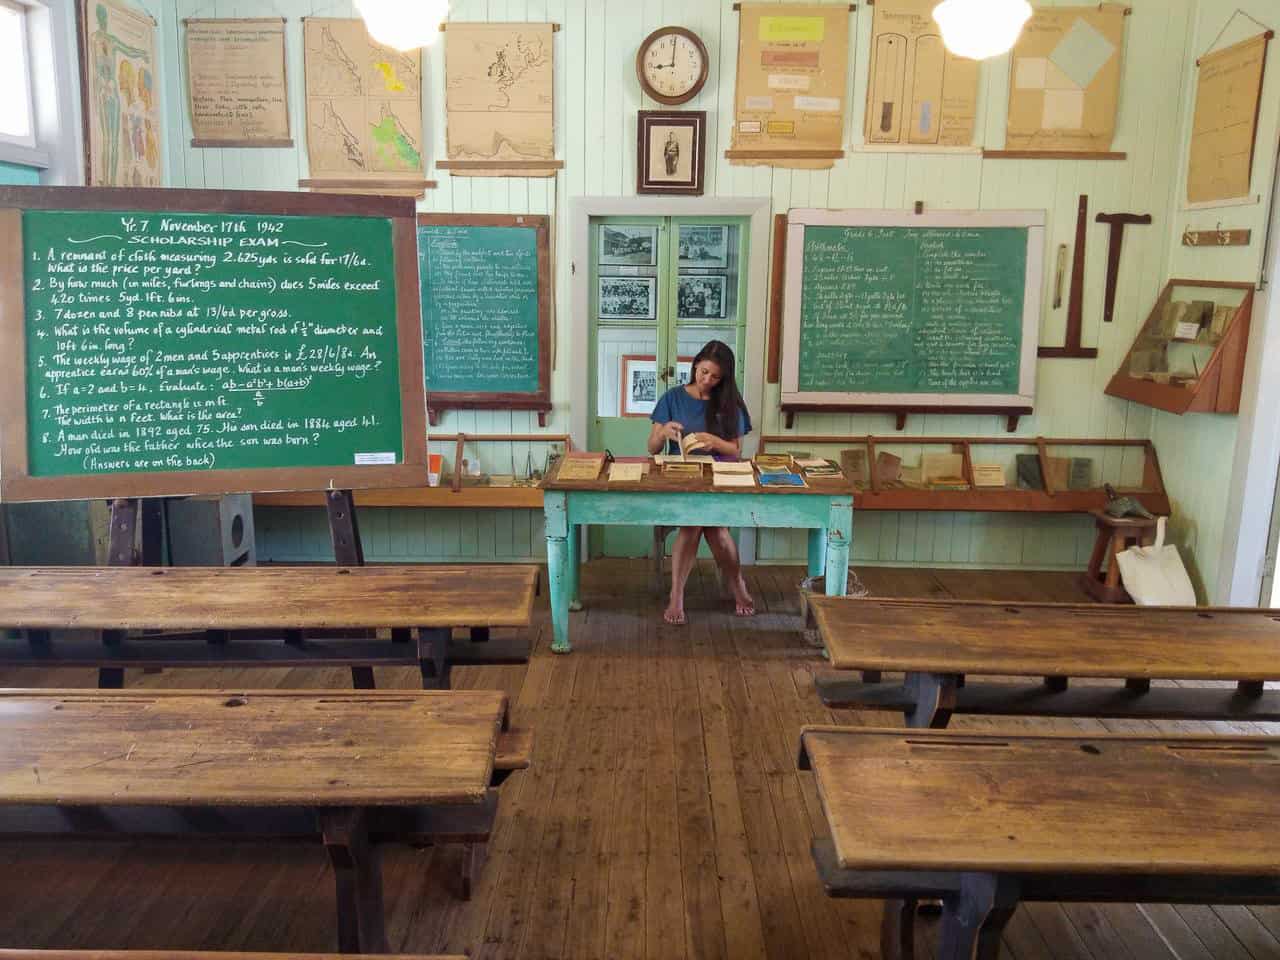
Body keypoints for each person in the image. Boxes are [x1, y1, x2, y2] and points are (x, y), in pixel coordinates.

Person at [647, 340, 755, 624]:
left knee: (714, 529)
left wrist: (713, 441)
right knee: (695, 524)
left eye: (715, 376)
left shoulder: (730, 402)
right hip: (683, 476)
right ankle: (677, 595)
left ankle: (737, 585)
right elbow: (652, 448)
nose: (707, 380)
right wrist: (663, 433)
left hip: (721, 476)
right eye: (703, 371)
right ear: (695, 364)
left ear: (724, 378)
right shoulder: (672, 397)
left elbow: (735, 450)